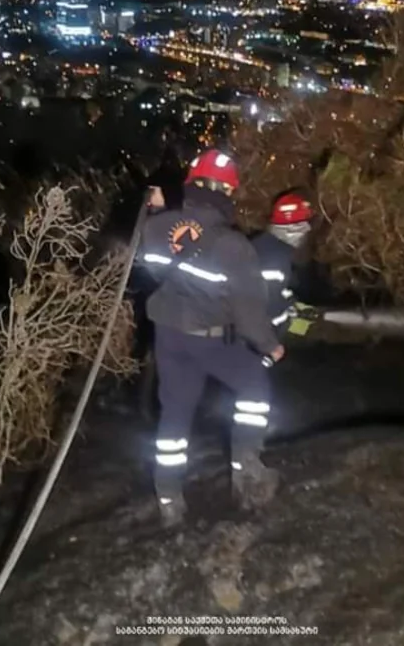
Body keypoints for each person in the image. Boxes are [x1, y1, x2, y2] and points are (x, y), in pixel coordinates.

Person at [138, 148, 285, 527]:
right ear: (228, 194)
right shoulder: (235, 247)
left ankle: (169, 498)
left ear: (190, 184)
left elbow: (153, 272)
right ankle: (245, 469)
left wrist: (156, 212)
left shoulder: (155, 228)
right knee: (254, 387)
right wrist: (270, 344)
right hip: (211, 341)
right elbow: (249, 310)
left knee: (175, 414)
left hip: (169, 337)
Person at [251, 193, 316, 336]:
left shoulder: (268, 246)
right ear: (291, 230)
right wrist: (289, 314)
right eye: (302, 227)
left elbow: (275, 288)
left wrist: (292, 303)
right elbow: (268, 311)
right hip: (256, 339)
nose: (307, 231)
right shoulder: (275, 259)